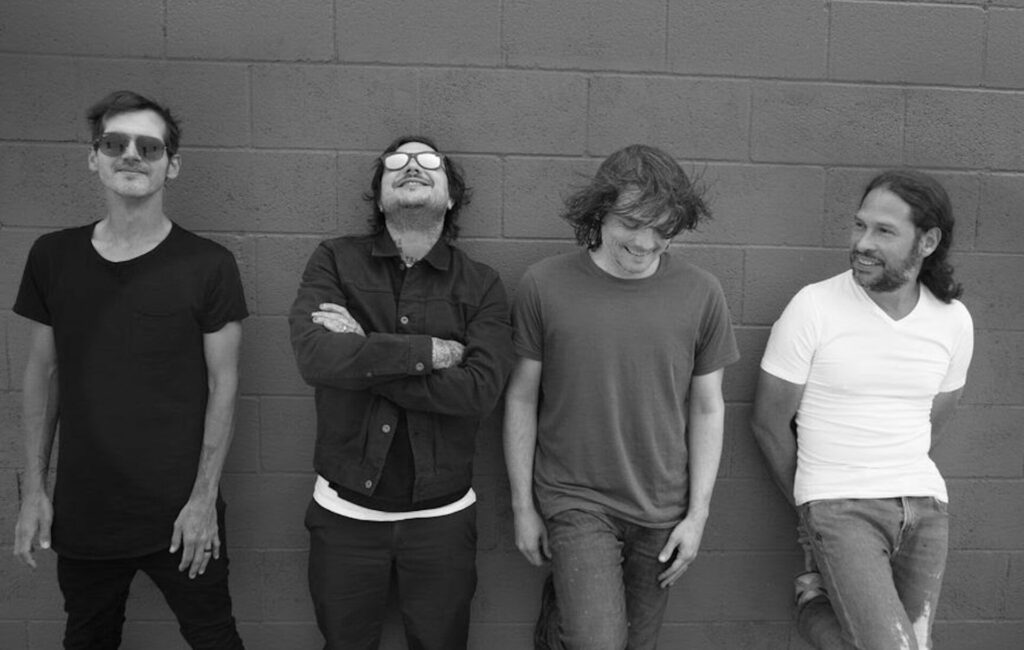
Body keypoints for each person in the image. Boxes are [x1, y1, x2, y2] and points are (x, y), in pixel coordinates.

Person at [12, 90, 247, 649]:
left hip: (180, 515)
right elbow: (42, 376)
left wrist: (202, 502)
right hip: (86, 512)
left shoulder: (209, 264)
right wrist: (33, 493)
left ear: (173, 164)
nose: (132, 155)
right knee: (88, 638)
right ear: (93, 157)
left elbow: (224, 386)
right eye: (114, 143)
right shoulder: (54, 256)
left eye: (150, 145)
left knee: (216, 638)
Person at [504, 144, 740, 649]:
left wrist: (697, 516)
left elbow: (708, 407)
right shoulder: (544, 285)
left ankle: (562, 616)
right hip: (575, 499)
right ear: (599, 212)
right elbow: (522, 398)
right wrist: (523, 505)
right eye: (632, 223)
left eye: (662, 228)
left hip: (660, 507)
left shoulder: (702, 293)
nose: (646, 242)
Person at [289, 135, 515, 649]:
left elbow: (479, 391)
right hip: (344, 516)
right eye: (397, 162)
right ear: (379, 192)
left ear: (451, 195)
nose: (412, 167)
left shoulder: (481, 284)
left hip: (442, 520)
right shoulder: (334, 261)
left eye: (428, 162)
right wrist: (435, 352)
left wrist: (365, 351)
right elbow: (316, 358)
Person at [751, 170, 974, 649]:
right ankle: (813, 604)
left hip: (925, 508)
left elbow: (937, 413)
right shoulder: (814, 307)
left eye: (884, 231)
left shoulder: (953, 321)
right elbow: (769, 422)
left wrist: (894, 465)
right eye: (859, 226)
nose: (863, 243)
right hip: (839, 504)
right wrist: (811, 505)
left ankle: (816, 600)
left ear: (928, 241)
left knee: (915, 644)